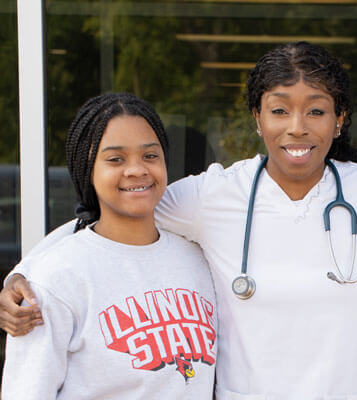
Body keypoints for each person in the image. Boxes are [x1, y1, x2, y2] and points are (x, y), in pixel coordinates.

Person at [2, 42, 357, 399]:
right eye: (279, 110)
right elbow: (110, 216)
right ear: (257, 118)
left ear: (339, 119)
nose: (297, 128)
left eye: (316, 111)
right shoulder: (214, 195)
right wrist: (23, 276)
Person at [1, 93, 217, 399]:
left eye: (150, 156)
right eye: (115, 159)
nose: (137, 169)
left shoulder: (199, 259)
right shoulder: (52, 279)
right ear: (86, 168)